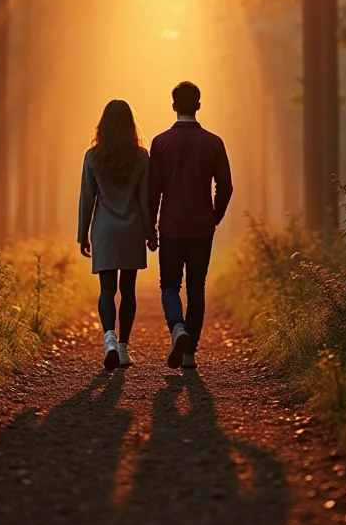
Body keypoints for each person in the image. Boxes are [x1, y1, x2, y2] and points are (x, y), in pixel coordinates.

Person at [149, 81, 233, 369]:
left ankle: (178, 329)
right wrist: (214, 216)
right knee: (197, 287)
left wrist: (150, 227)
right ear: (199, 105)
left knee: (170, 284)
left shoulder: (160, 143)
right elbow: (226, 186)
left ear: (173, 106)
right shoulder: (214, 142)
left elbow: (153, 190)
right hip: (201, 227)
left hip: (171, 226)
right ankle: (189, 353)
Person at [78, 99, 157, 370]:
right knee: (128, 290)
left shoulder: (93, 156)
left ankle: (109, 340)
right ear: (130, 125)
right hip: (132, 228)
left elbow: (87, 199)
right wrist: (150, 233)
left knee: (107, 289)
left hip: (104, 230)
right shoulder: (141, 156)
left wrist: (82, 234)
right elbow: (145, 200)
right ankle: (123, 348)